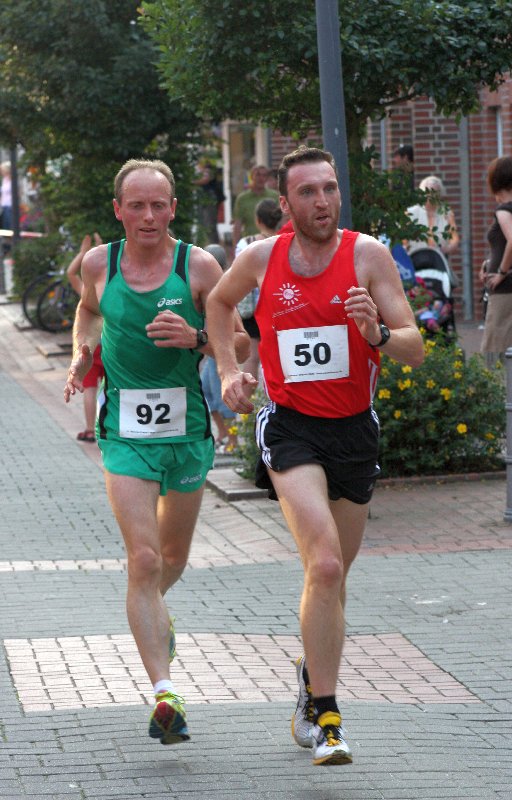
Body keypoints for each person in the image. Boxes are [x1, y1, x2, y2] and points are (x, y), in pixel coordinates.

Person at [206, 145, 424, 766]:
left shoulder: (367, 256)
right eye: (308, 192)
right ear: (285, 203)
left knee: (334, 578)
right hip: (289, 425)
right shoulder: (262, 258)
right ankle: (327, 718)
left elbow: (413, 348)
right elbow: (218, 303)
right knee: (324, 565)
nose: (322, 201)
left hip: (354, 429)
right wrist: (229, 369)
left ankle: (311, 674)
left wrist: (377, 333)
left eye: (329, 189)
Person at [63, 158, 249, 745]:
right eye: (137, 205)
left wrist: (198, 338)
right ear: (118, 210)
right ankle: (165, 692)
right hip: (124, 434)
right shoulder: (99, 264)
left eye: (158, 205)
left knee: (171, 558)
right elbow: (88, 311)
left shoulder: (200, 267)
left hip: (187, 435)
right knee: (143, 560)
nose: (148, 215)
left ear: (173, 209)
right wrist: (81, 351)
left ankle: (152, 616)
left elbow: (241, 341)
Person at [480, 156, 512, 435]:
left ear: (495, 180)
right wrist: (490, 264)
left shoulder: (504, 210)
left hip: (510, 291)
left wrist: (500, 272)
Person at [235, 198, 283, 381]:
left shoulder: (245, 243)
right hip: (278, 304)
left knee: (252, 355)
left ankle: (250, 396)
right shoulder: (285, 242)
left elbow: (237, 273)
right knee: (279, 351)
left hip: (252, 307)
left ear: (258, 220)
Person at [200, 244, 238, 452]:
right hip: (209, 347)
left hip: (220, 347)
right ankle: (223, 434)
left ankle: (233, 441)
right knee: (206, 390)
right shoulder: (204, 280)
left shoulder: (224, 283)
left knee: (222, 395)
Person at [66, 232, 104, 442]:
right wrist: (100, 251)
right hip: (111, 344)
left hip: (90, 346)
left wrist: (83, 253)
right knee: (112, 387)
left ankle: (90, 429)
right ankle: (111, 427)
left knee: (89, 387)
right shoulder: (111, 290)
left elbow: (71, 273)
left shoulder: (86, 291)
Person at [406, 174, 460, 265]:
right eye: (428, 192)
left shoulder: (447, 213)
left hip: (439, 261)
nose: (431, 196)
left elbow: (454, 239)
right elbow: (402, 240)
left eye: (435, 192)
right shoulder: (411, 213)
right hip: (414, 261)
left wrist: (447, 248)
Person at [231, 165, 278, 250]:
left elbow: (281, 221)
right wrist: (236, 248)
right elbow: (237, 225)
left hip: (271, 244)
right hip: (250, 244)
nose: (261, 178)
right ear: (252, 176)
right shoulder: (242, 198)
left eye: (264, 175)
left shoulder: (274, 196)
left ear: (267, 178)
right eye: (258, 174)